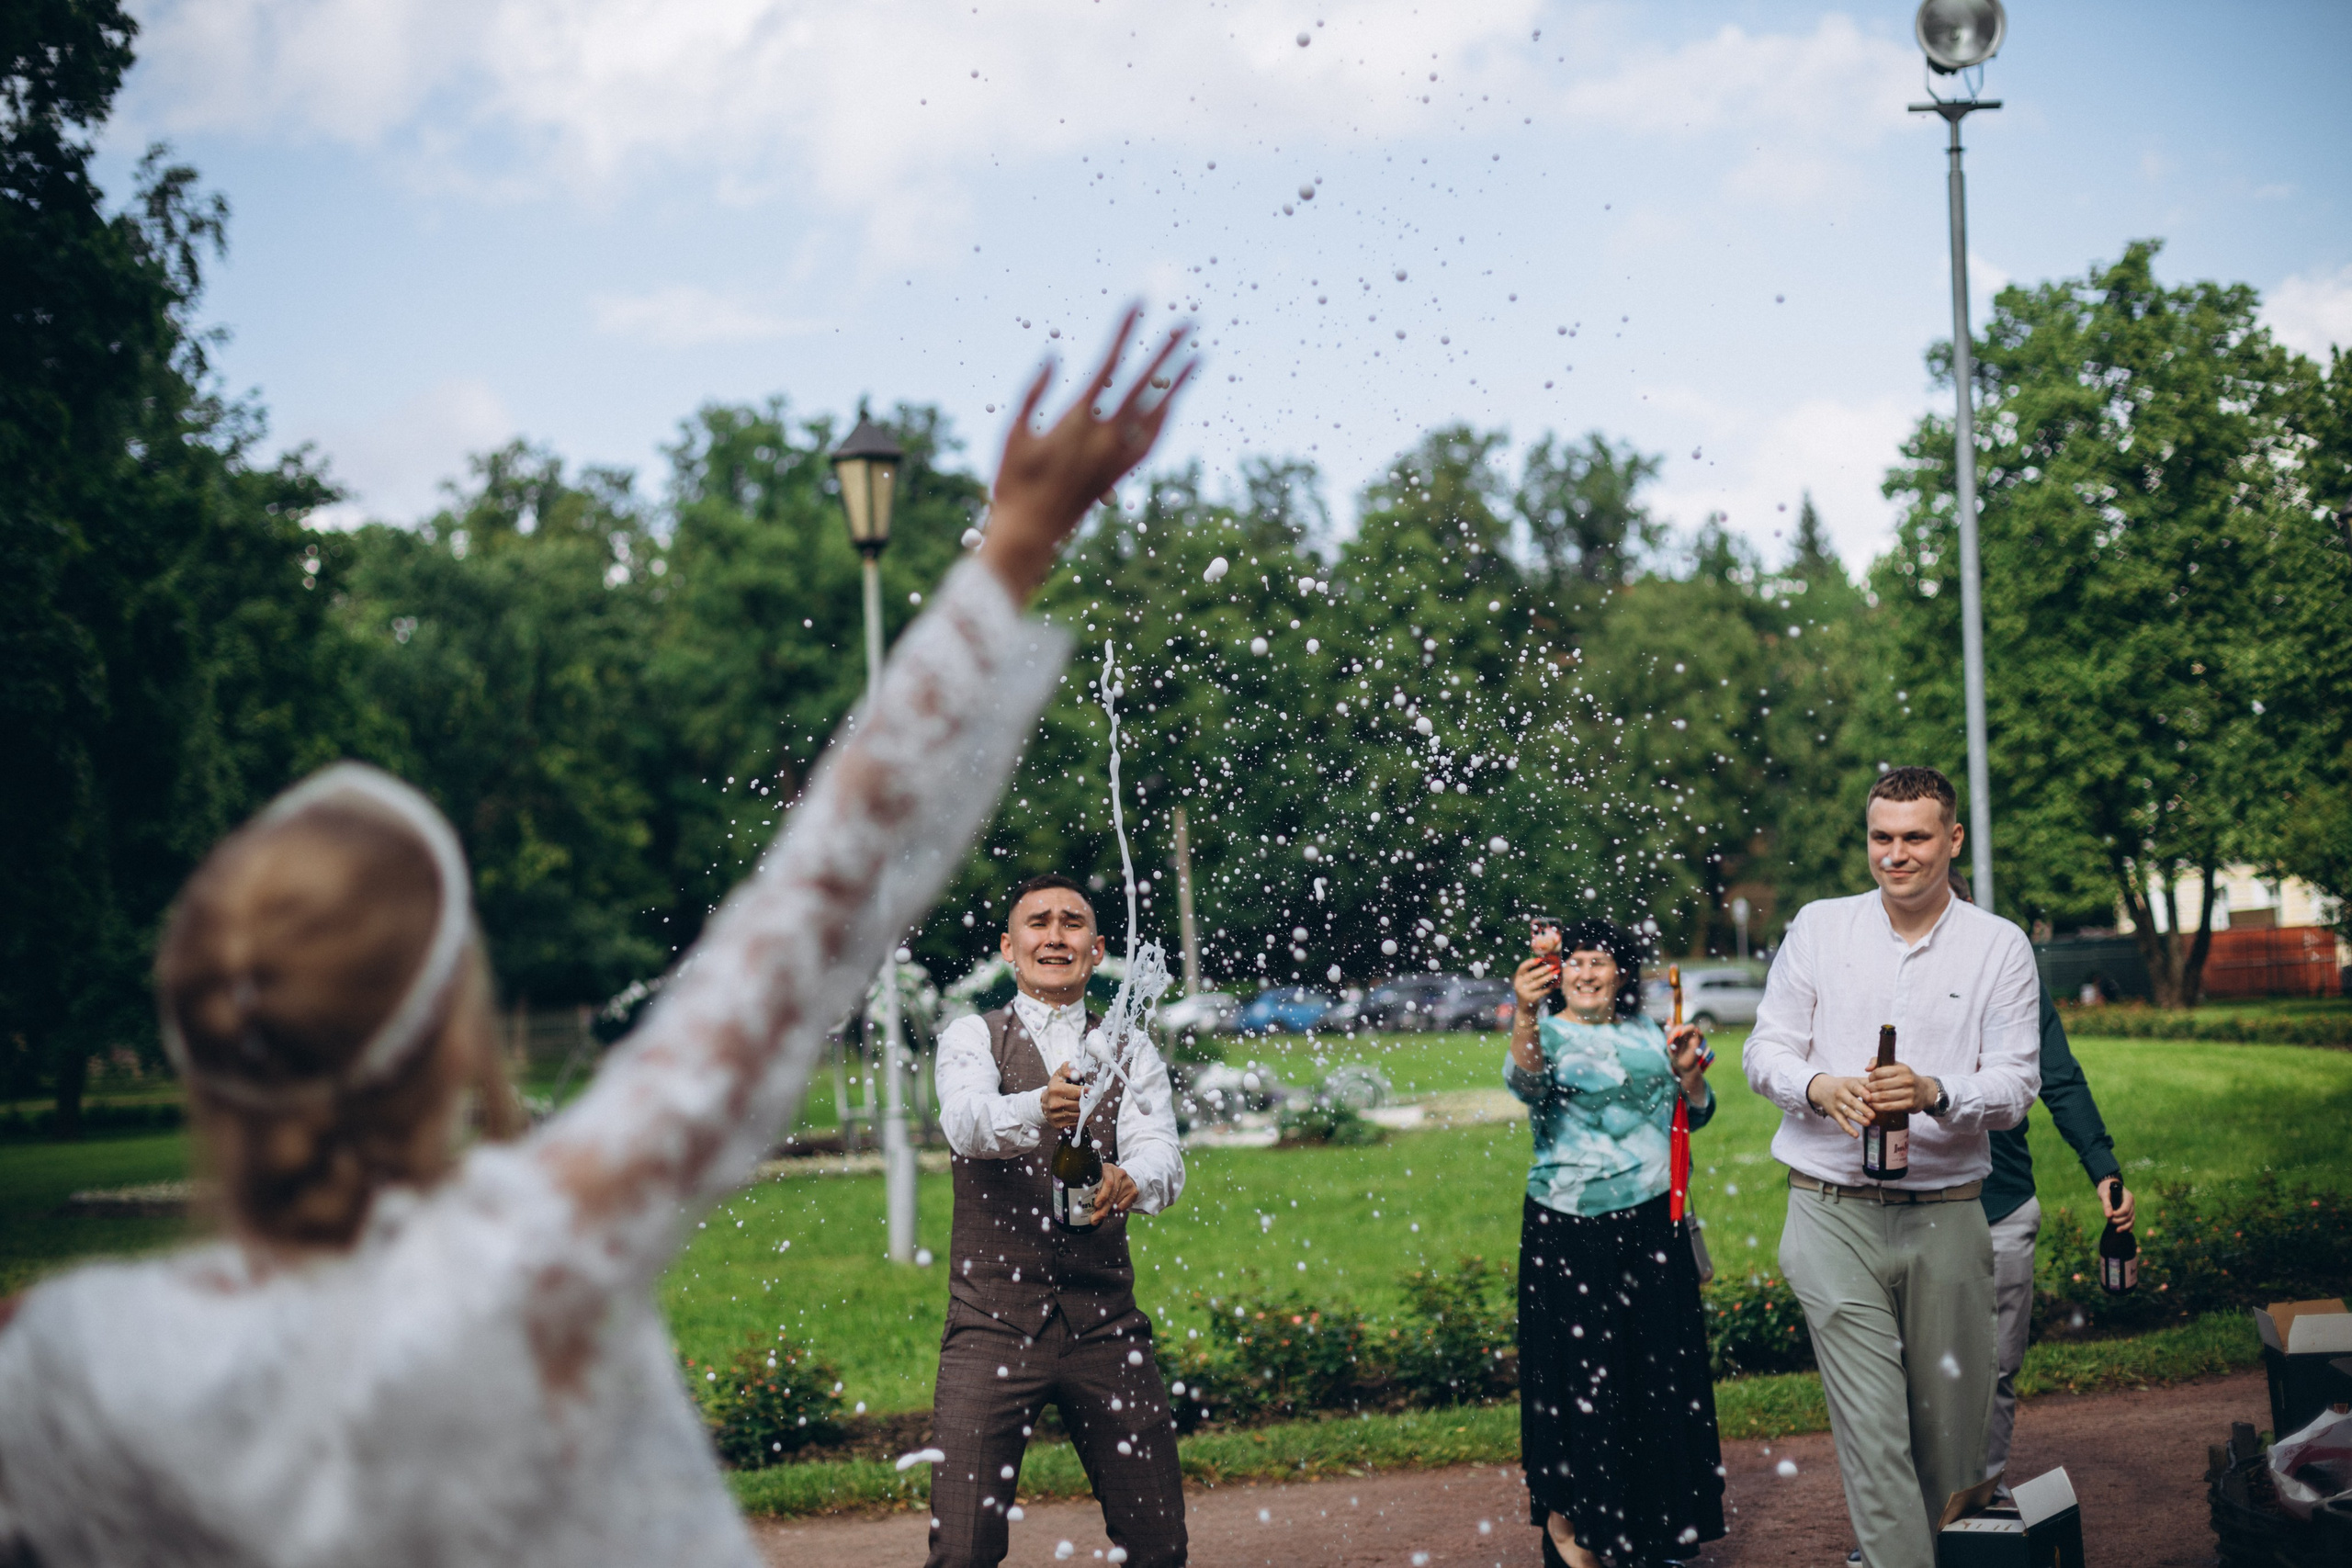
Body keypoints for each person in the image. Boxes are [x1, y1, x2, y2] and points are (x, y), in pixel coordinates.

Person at [0, 311, 1195, 1568]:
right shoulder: (543, 1240)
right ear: (455, 1024)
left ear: (191, 1035)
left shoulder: (70, 1366)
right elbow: (812, 904)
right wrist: (1012, 547)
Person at [1744, 766, 2041, 1568]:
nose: (1896, 854)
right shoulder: (1819, 927)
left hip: (1949, 1213)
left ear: (1954, 838)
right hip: (1829, 1211)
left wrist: (1936, 1091)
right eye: (1882, 836)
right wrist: (1817, 1086)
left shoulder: (1999, 945)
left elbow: (2017, 1085)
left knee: (1952, 1449)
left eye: (1915, 837)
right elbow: (1765, 1048)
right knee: (1875, 1430)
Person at [926, 874, 1187, 1568]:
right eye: (1038, 922)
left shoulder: (1129, 1047)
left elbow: (1163, 1152)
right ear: (1008, 948)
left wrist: (1132, 1179)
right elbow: (967, 1122)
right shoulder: (972, 1036)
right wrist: (1035, 1107)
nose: (1055, 936)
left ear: (1097, 950)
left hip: (1105, 1323)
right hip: (990, 1322)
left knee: (1159, 1544)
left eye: (1072, 923)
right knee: (963, 1549)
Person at [1505, 918, 1724, 1568]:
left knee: (1656, 1377)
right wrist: (1524, 1012)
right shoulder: (1543, 1032)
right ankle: (1570, 1525)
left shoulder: (1651, 1032)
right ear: (1557, 973)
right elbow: (1526, 1083)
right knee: (1576, 1378)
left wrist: (1688, 1073)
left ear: (1621, 972)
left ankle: (1655, 1530)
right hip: (1567, 1228)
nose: (1586, 972)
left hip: (1653, 1224)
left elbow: (1697, 1111)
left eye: (1598, 960)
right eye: (1574, 961)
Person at [1949, 869, 2134, 1484]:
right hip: (1913, 1213)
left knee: (1998, 1368)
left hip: (2002, 1205)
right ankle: (1910, 1516)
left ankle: (1982, 1496)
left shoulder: (2009, 972)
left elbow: (2060, 1076)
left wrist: (2103, 1168)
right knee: (1916, 1375)